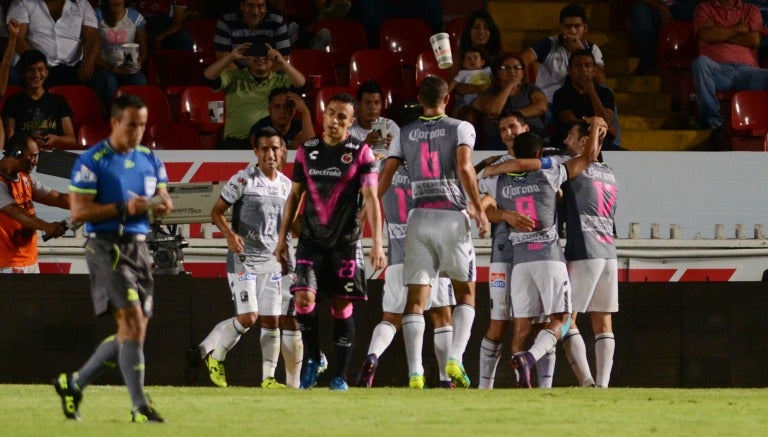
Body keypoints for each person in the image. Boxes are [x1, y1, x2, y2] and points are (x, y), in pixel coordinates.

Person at [54, 94, 173, 422]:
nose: (138, 131)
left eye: (143, 125)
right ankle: (139, 407)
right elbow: (78, 211)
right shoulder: (93, 160)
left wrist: (161, 204)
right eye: (132, 124)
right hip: (106, 247)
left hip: (139, 247)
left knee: (131, 334)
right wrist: (123, 207)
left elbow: (163, 196)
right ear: (115, 122)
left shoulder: (150, 158)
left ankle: (74, 383)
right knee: (132, 325)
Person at [378, 76, 490, 389]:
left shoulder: (405, 131)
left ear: (419, 98)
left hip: (418, 218)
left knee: (416, 299)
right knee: (465, 292)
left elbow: (386, 174)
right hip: (451, 217)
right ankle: (455, 357)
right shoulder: (461, 128)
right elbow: (466, 167)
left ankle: (416, 373)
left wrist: (368, 206)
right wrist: (479, 210)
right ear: (447, 98)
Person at [274, 92, 386, 391]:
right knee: (302, 299)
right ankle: (313, 357)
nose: (334, 120)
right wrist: (282, 238)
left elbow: (372, 199)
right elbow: (294, 197)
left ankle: (340, 375)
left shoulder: (361, 152)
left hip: (345, 243)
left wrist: (377, 243)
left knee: (341, 306)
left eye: (341, 117)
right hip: (310, 240)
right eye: (331, 113)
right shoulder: (306, 150)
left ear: (351, 122)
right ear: (324, 114)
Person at [499, 120, 605, 389]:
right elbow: (589, 157)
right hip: (548, 257)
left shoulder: (498, 179)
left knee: (521, 328)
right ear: (538, 156)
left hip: (520, 261)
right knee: (562, 319)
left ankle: (522, 385)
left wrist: (503, 214)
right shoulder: (550, 173)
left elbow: (482, 204)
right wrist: (594, 130)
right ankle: (530, 359)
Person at [188, 127, 296, 389]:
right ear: (256, 152)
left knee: (271, 321)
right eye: (265, 149)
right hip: (244, 259)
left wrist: (290, 251)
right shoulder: (243, 180)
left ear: (282, 152)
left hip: (272, 261)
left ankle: (268, 379)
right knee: (249, 318)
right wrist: (229, 234)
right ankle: (218, 356)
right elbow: (216, 212)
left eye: (275, 148)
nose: (270, 153)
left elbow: (288, 223)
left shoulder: (286, 185)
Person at [354, 123, 457, 390]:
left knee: (392, 317)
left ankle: (373, 356)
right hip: (429, 254)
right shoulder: (427, 170)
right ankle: (444, 380)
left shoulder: (380, 170)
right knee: (440, 315)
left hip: (398, 255)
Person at [557, 121, 619, 388]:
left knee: (566, 318)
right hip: (609, 252)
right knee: (603, 321)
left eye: (571, 135)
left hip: (584, 251)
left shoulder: (577, 168)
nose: (565, 140)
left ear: (585, 142)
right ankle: (603, 386)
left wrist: (594, 128)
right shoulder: (610, 173)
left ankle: (586, 381)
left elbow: (585, 159)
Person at [204, 38, 305, 149]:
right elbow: (208, 77)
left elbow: (301, 85)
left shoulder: (279, 80)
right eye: (255, 53)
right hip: (236, 143)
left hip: (269, 144)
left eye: (265, 53)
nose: (260, 58)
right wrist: (230, 57)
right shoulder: (234, 76)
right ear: (247, 56)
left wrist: (281, 61)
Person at [692, 0, 768, 130]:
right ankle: (712, 121)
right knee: (700, 63)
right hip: (718, 70)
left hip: (748, 72)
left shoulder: (751, 10)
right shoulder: (704, 8)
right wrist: (738, 29)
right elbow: (706, 35)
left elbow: (755, 41)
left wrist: (719, 34)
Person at [0, 132, 70, 273]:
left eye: (36, 156)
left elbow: (58, 198)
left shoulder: (26, 178)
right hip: (7, 265)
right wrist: (46, 226)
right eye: (31, 156)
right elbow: (20, 215)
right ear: (16, 153)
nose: (35, 161)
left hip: (30, 261)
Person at [520, 4, 606, 106]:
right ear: (561, 28)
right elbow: (521, 60)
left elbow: (600, 80)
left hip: (579, 102)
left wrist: (581, 50)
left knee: (607, 94)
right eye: (568, 26)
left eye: (577, 26)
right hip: (549, 102)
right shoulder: (549, 44)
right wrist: (528, 89)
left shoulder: (592, 49)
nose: (572, 31)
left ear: (585, 28)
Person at [8, 0, 106, 88]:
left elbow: (92, 36)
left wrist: (88, 61)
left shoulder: (82, 4)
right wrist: (37, 64)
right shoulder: (23, 3)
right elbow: (18, 38)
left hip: (75, 66)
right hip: (38, 67)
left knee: (104, 79)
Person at [2, 49, 77, 150]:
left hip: (55, 154)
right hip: (25, 155)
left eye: (40, 69)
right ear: (23, 73)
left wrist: (57, 139)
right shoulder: (13, 102)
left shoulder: (59, 101)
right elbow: (10, 140)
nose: (36, 74)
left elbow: (72, 139)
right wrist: (29, 139)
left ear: (46, 72)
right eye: (31, 70)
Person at [472, 53, 548, 149]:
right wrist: (509, 85)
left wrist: (512, 115)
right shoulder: (491, 91)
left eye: (516, 68)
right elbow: (492, 110)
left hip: (532, 131)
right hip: (501, 135)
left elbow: (541, 107)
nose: (512, 71)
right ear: (499, 73)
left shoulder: (530, 89)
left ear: (523, 72)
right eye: (506, 68)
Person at [552, 50, 618, 150]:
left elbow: (607, 121)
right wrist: (596, 122)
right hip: (570, 143)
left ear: (594, 70)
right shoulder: (561, 94)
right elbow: (569, 121)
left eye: (588, 65)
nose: (583, 70)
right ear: (569, 70)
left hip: (601, 143)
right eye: (578, 66)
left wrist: (591, 89)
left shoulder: (605, 93)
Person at [94, 0, 149, 111]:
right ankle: (111, 116)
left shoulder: (135, 17)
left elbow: (143, 49)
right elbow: (91, 51)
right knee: (110, 82)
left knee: (140, 80)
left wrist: (138, 63)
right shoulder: (97, 15)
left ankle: (134, 116)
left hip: (127, 65)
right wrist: (111, 68)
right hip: (105, 67)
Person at [629, 1, 703, 75]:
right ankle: (649, 66)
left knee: (704, 7)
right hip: (653, 6)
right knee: (641, 11)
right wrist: (660, 6)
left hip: (683, 5)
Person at [214, 0, 291, 68]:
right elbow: (222, 58)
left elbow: (283, 57)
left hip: (268, 71)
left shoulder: (278, 21)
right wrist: (243, 79)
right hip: (236, 71)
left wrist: (264, 77)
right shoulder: (226, 21)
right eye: (250, 6)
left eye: (260, 6)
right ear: (242, 6)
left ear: (265, 6)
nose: (255, 12)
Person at [248, 87, 314, 149]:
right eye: (277, 106)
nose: (282, 111)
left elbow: (312, 148)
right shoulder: (259, 128)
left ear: (294, 110)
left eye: (286, 106)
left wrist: (305, 111)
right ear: (269, 110)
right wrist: (291, 148)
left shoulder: (301, 125)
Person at [348, 80, 401, 152]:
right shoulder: (348, 129)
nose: (373, 107)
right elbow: (343, 159)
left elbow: (407, 155)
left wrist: (395, 146)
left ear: (381, 105)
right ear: (358, 105)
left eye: (376, 102)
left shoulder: (390, 126)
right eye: (368, 103)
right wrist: (364, 144)